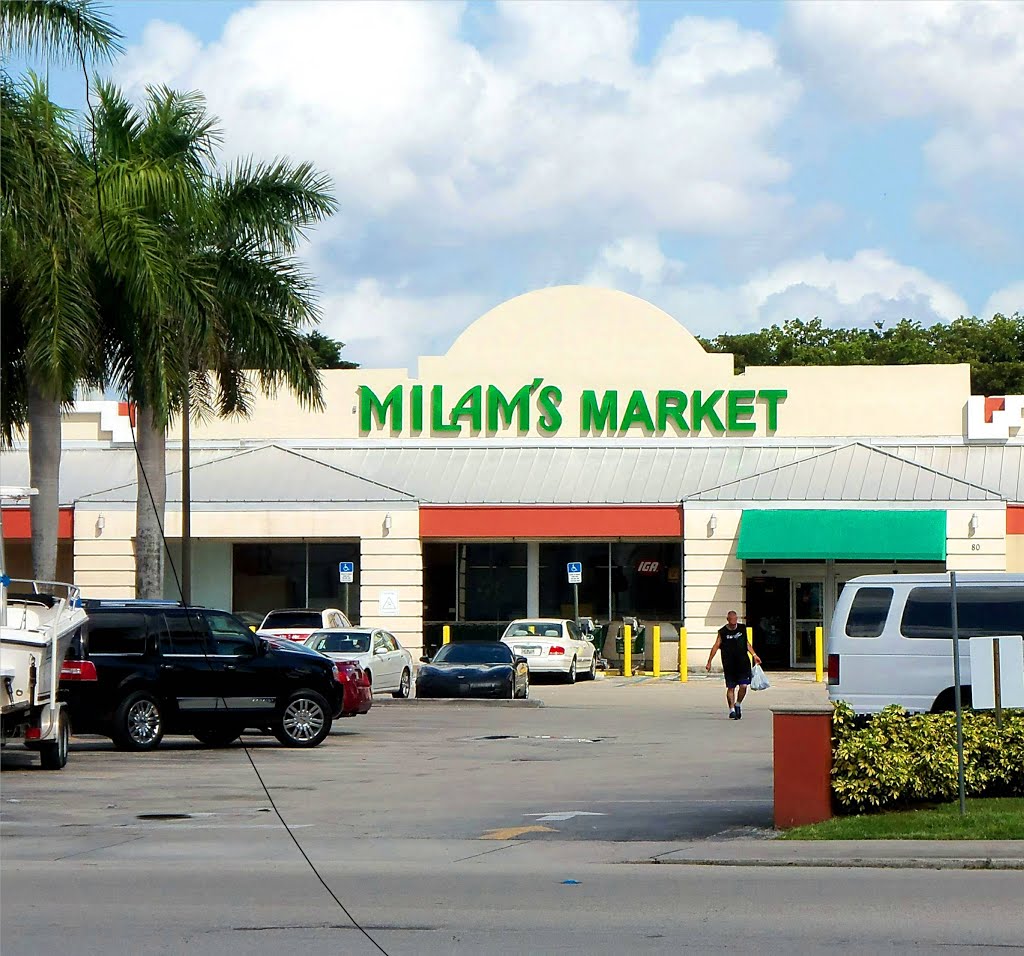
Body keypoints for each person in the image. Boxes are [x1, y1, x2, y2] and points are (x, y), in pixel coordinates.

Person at [705, 610, 761, 719]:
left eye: (735, 621)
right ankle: (731, 710)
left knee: (744, 686)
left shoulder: (742, 628)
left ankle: (738, 703)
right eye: (731, 621)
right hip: (729, 664)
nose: (734, 623)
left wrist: (754, 655)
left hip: (743, 663)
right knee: (731, 687)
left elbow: (747, 643)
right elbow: (716, 646)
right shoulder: (722, 632)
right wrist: (709, 661)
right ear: (728, 620)